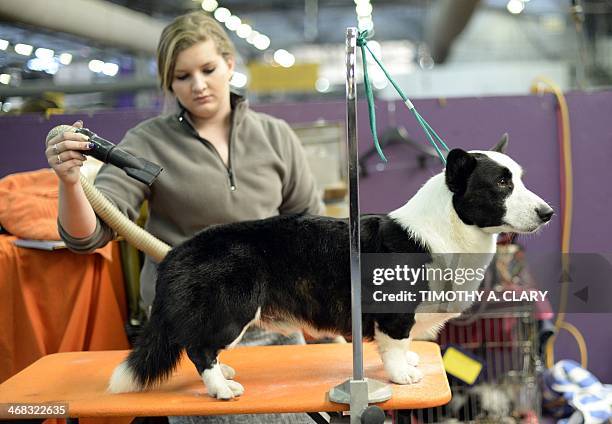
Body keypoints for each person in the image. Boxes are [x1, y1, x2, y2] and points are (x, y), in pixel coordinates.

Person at [45, 11, 322, 424]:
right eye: (182, 77)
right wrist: (70, 183)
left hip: (276, 329)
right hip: (197, 328)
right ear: (168, 83)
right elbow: (90, 235)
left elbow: (310, 229)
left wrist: (326, 319)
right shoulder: (147, 142)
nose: (198, 85)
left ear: (230, 63)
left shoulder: (275, 136)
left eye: (208, 69)